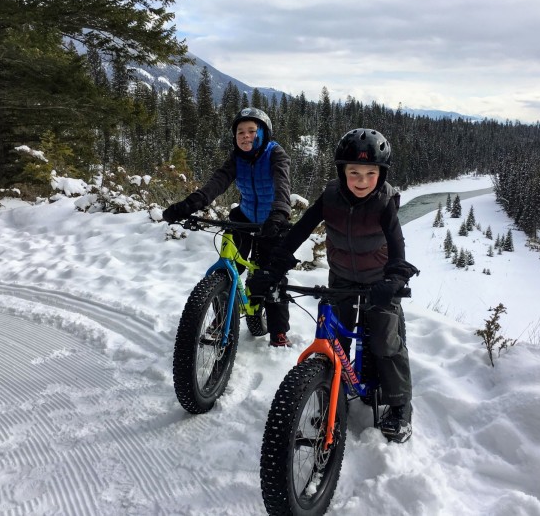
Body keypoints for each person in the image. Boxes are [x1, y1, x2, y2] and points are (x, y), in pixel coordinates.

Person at [248, 128, 419, 442]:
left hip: (379, 282)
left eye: (371, 173)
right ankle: (329, 389)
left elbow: (396, 244)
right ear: (342, 171)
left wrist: (394, 278)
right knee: (336, 340)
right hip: (340, 277)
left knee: (385, 342)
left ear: (381, 175)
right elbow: (298, 232)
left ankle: (400, 407)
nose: (362, 180)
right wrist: (273, 269)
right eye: (354, 172)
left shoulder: (383, 202)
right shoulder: (330, 197)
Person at [163, 107, 293, 347]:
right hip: (243, 218)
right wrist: (188, 205)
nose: (245, 136)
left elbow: (282, 184)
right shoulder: (236, 158)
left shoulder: (276, 154)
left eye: (252, 131)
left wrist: (280, 213)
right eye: (240, 132)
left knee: (272, 278)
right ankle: (222, 319)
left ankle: (278, 332)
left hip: (272, 221)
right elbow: (217, 183)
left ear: (263, 133)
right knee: (226, 271)